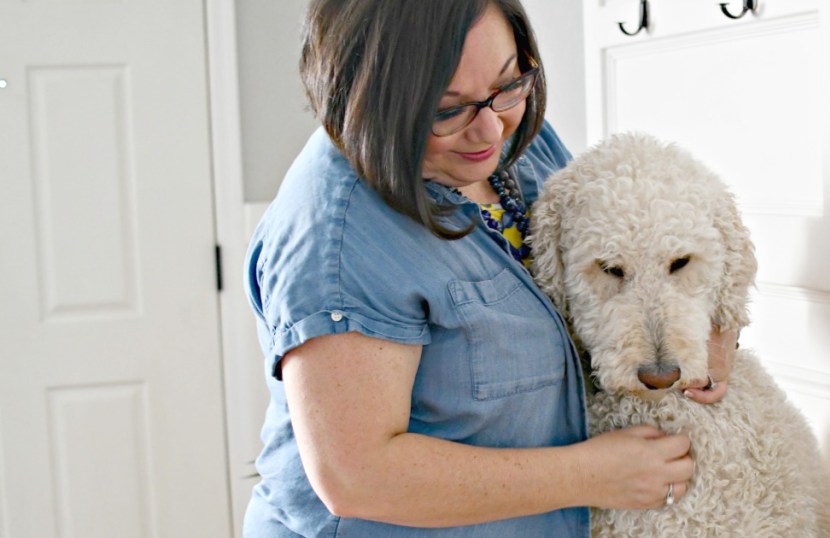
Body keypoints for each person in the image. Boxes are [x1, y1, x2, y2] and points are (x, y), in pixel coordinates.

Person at [243, 0, 737, 536]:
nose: (488, 134)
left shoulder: (516, 138)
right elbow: (357, 476)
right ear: (367, 99)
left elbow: (611, 266)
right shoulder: (337, 235)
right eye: (444, 110)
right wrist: (592, 474)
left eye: (507, 85)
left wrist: (710, 328)